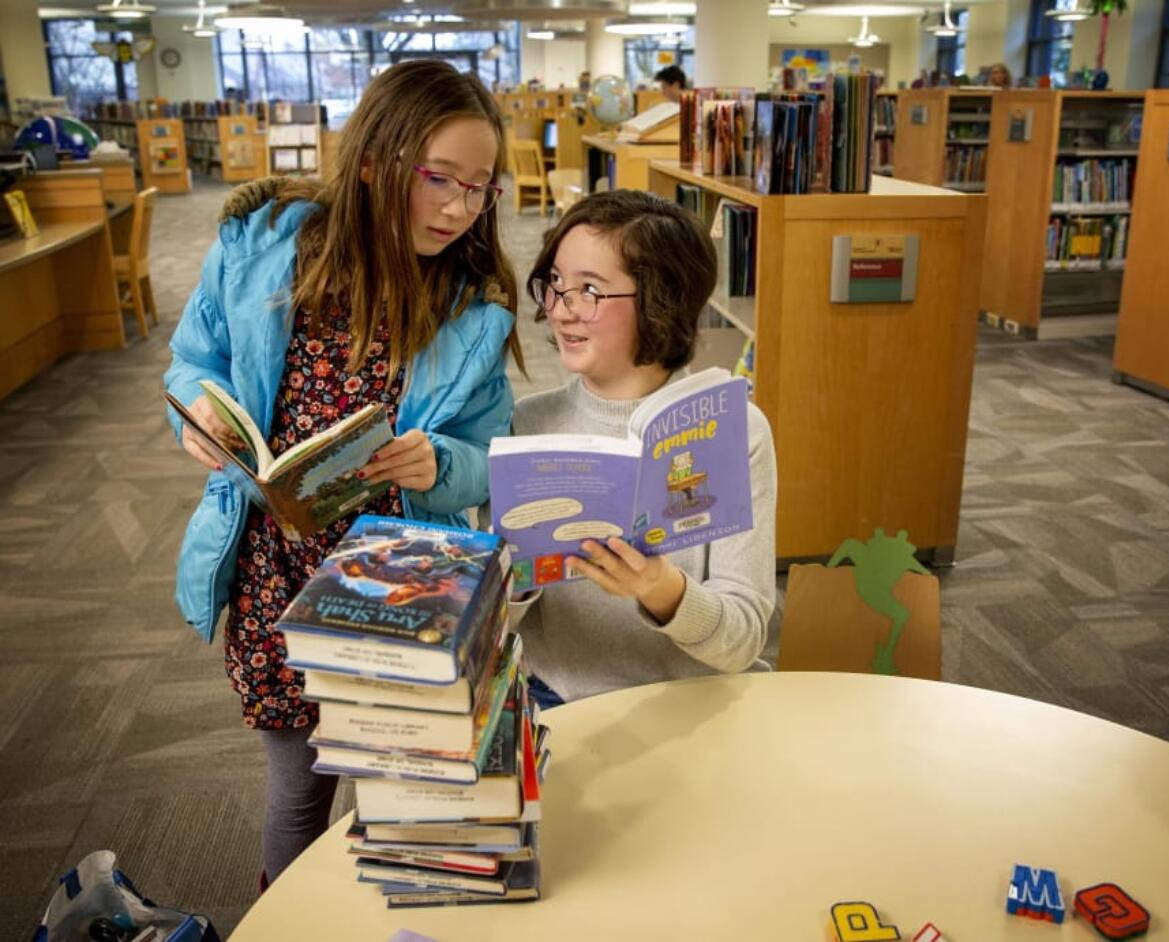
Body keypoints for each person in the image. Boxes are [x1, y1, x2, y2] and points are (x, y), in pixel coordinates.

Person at [163, 60, 522, 888]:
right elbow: (193, 362)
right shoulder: (262, 249)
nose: (460, 207)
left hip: (398, 582)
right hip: (274, 567)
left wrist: (441, 464)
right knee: (297, 786)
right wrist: (200, 415)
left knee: (406, 792)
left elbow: (487, 455)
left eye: (481, 188)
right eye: (441, 180)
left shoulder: (469, 304)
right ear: (374, 159)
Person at [507, 191, 777, 707]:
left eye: (589, 290)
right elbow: (497, 630)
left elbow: (743, 641)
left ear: (660, 300)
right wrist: (514, 584)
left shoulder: (736, 431)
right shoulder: (529, 424)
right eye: (556, 284)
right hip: (559, 700)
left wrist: (662, 590)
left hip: (693, 700)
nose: (561, 310)